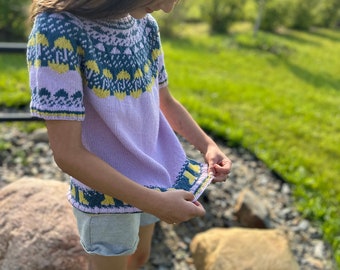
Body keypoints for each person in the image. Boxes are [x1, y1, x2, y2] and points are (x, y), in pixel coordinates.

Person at [27, 0, 232, 269]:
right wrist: (155, 203)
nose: (169, 8)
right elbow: (68, 154)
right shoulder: (57, 31)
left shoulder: (144, 25)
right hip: (105, 195)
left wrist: (207, 146)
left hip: (154, 177)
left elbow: (165, 101)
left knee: (139, 257)